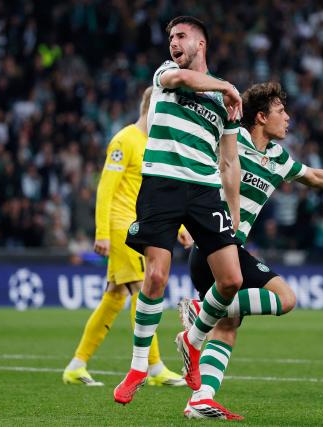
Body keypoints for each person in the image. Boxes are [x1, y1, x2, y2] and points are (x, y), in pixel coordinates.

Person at [179, 82, 323, 419]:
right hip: (215, 246)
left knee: (228, 326)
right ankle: (200, 310)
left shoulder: (277, 157)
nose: (288, 118)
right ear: (261, 117)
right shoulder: (229, 140)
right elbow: (193, 176)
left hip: (230, 251)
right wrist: (182, 223)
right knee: (286, 298)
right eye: (281, 111)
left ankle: (200, 398)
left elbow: (314, 177)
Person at [113, 16, 246, 410]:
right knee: (155, 276)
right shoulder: (167, 72)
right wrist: (226, 85)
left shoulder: (225, 103)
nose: (173, 42)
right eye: (171, 36)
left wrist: (235, 216)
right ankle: (138, 366)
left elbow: (229, 161)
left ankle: (191, 339)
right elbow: (183, 82)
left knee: (232, 279)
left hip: (204, 190)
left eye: (181, 36)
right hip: (162, 183)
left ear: (200, 44)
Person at [62, 87, 190, 387]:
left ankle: (76, 365)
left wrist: (182, 228)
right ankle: (155, 367)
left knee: (115, 297)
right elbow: (106, 188)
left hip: (141, 226)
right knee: (143, 292)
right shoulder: (124, 140)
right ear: (152, 108)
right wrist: (102, 233)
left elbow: (160, 194)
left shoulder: (155, 145)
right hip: (122, 229)